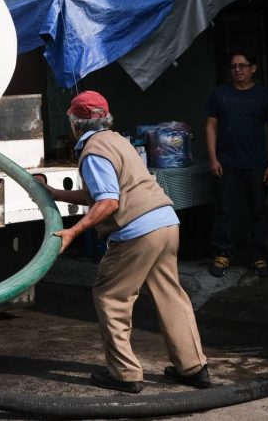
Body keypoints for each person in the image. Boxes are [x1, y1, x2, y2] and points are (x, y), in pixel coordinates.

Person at [43, 90, 209, 394]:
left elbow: (108, 202)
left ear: (75, 124)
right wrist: (55, 193)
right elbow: (103, 193)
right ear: (106, 118)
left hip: (137, 231)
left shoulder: (92, 151)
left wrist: (73, 231)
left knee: (111, 296)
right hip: (166, 221)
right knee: (170, 293)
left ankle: (124, 373)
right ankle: (193, 367)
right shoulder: (118, 141)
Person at [206, 53, 268, 278]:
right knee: (224, 210)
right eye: (233, 67)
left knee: (257, 211)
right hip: (226, 163)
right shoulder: (219, 94)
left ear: (253, 68)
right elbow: (211, 126)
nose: (237, 70)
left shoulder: (264, 95)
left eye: (242, 66)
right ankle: (223, 255)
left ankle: (258, 256)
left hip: (256, 164)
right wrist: (213, 158)